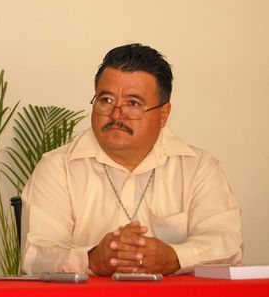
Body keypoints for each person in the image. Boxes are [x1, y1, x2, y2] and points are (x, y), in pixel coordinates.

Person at [21, 43, 242, 276]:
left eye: (133, 103)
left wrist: (174, 258)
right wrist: (92, 259)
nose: (116, 114)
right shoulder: (57, 168)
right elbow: (36, 255)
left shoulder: (198, 168)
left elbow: (228, 246)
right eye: (106, 100)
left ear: (164, 114)